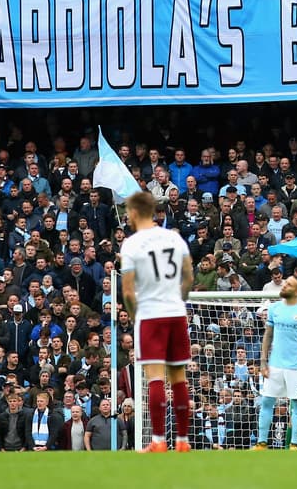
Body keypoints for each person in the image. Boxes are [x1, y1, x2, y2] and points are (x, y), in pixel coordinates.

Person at [119, 191, 195, 453]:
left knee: (155, 379)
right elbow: (188, 277)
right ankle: (183, 442)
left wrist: (133, 315)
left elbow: (128, 291)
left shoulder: (131, 244)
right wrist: (178, 300)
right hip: (176, 312)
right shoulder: (174, 238)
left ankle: (159, 441)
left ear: (135, 212)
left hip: (150, 315)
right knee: (179, 378)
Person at [253, 275, 297, 450]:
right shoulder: (274, 308)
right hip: (275, 364)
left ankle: (294, 444)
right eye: (285, 282)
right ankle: (261, 443)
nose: (284, 285)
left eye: (289, 284)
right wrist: (263, 361)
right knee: (267, 402)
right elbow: (268, 335)